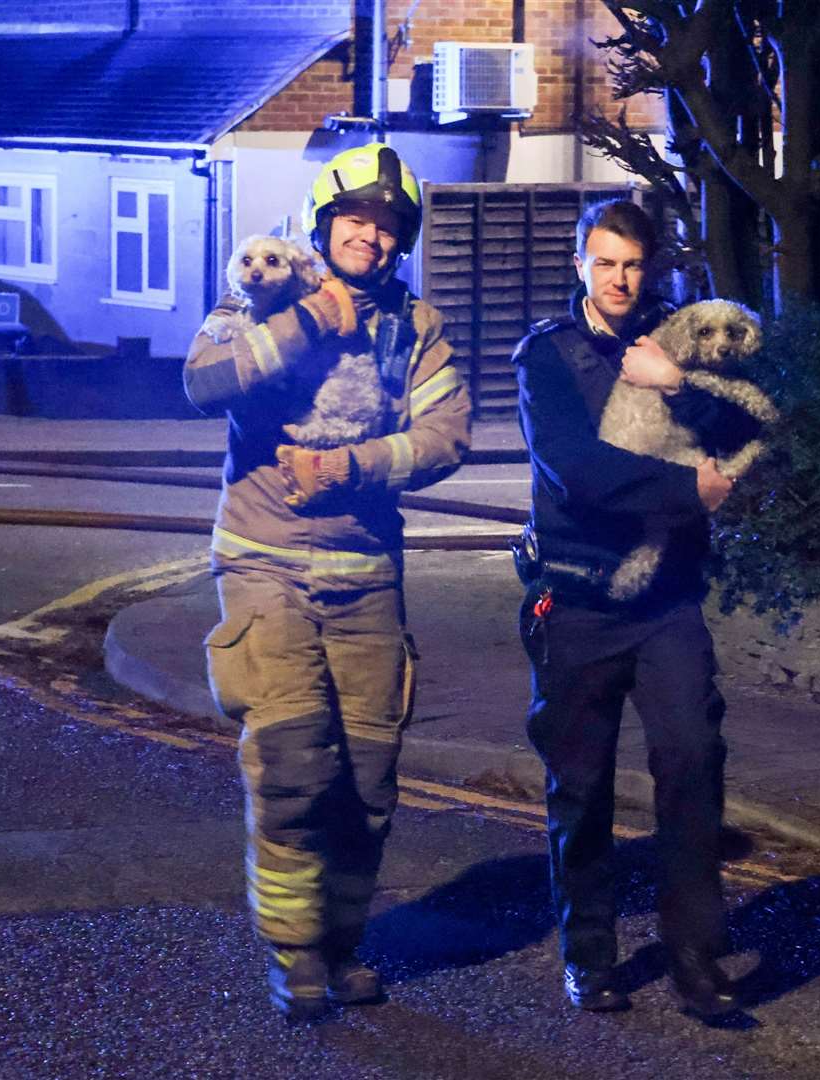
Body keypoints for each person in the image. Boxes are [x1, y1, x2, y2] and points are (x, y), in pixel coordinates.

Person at [183, 144, 470, 1023]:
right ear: (322, 226)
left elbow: (449, 435)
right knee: (295, 770)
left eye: (389, 228)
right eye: (357, 222)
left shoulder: (416, 328)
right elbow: (202, 383)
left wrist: (348, 465)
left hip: (366, 577)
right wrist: (308, 321)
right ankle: (297, 955)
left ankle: (344, 944)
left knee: (369, 783)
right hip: (265, 565)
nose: (372, 239)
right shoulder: (254, 301)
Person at [511, 198, 743, 1017]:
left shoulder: (675, 346)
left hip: (666, 601)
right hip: (575, 599)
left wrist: (674, 381)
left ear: (651, 271)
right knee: (581, 786)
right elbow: (582, 472)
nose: (619, 278)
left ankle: (694, 959)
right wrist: (692, 488)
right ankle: (590, 954)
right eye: (605, 262)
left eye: (633, 265)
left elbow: (737, 422)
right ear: (581, 264)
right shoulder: (546, 357)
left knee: (691, 763)